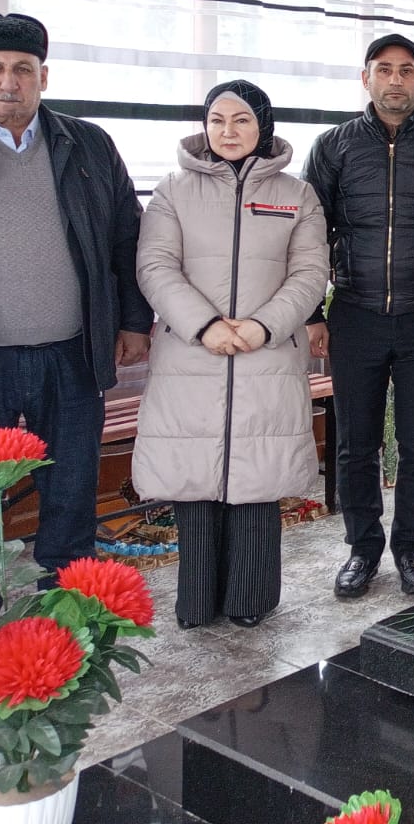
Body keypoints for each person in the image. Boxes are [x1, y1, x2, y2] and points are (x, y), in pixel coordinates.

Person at [0, 11, 152, 577]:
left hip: (72, 354)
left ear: (44, 76)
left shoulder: (89, 144)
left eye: (23, 69)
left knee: (72, 492)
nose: (9, 82)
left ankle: (68, 603)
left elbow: (126, 236)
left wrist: (134, 321)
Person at [132, 81, 328, 629]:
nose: (228, 131)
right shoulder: (172, 190)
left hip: (268, 354)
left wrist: (265, 326)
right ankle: (195, 600)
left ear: (263, 126)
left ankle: (250, 599)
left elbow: (310, 272)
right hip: (191, 354)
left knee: (258, 478)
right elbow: (155, 265)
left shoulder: (297, 194)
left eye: (241, 120)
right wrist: (205, 325)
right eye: (217, 120)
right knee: (193, 479)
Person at [304, 34, 414, 599]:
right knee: (355, 444)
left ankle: (411, 547)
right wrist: (312, 313)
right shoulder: (333, 147)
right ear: (366, 79)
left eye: (407, 71)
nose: (395, 80)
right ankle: (362, 549)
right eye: (384, 70)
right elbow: (309, 236)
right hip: (354, 314)